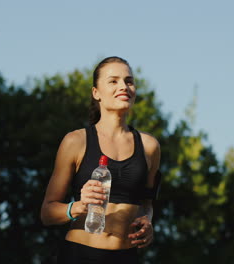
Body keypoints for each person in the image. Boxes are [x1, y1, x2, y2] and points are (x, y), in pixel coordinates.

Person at [41, 56, 162, 263]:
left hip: (127, 256)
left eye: (129, 81)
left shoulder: (150, 147)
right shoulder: (75, 141)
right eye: (113, 81)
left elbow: (147, 203)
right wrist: (78, 206)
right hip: (80, 254)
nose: (123, 86)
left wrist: (148, 222)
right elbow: (47, 213)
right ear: (96, 93)